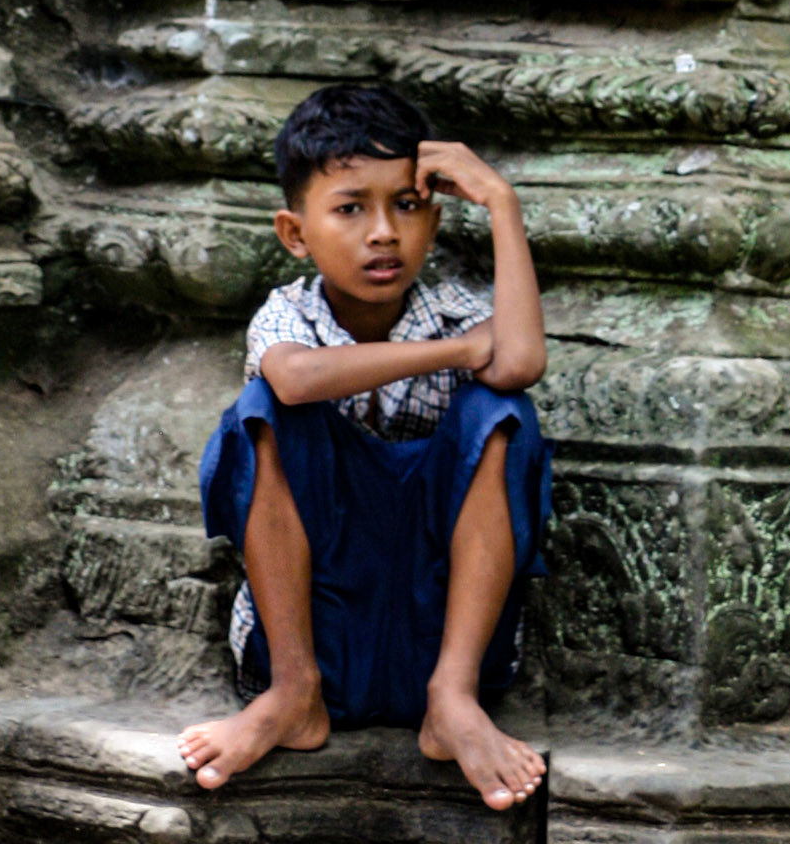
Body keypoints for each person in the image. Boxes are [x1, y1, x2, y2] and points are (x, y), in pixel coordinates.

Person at [178, 84, 551, 811]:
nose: (383, 232)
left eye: (406, 205)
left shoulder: (453, 310)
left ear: (433, 218)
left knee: (502, 409)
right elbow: (296, 378)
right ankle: (292, 696)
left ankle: (452, 701)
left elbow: (519, 362)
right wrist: (456, 352)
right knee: (264, 410)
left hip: (434, 631)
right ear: (295, 233)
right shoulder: (289, 314)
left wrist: (501, 203)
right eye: (350, 209)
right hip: (324, 637)